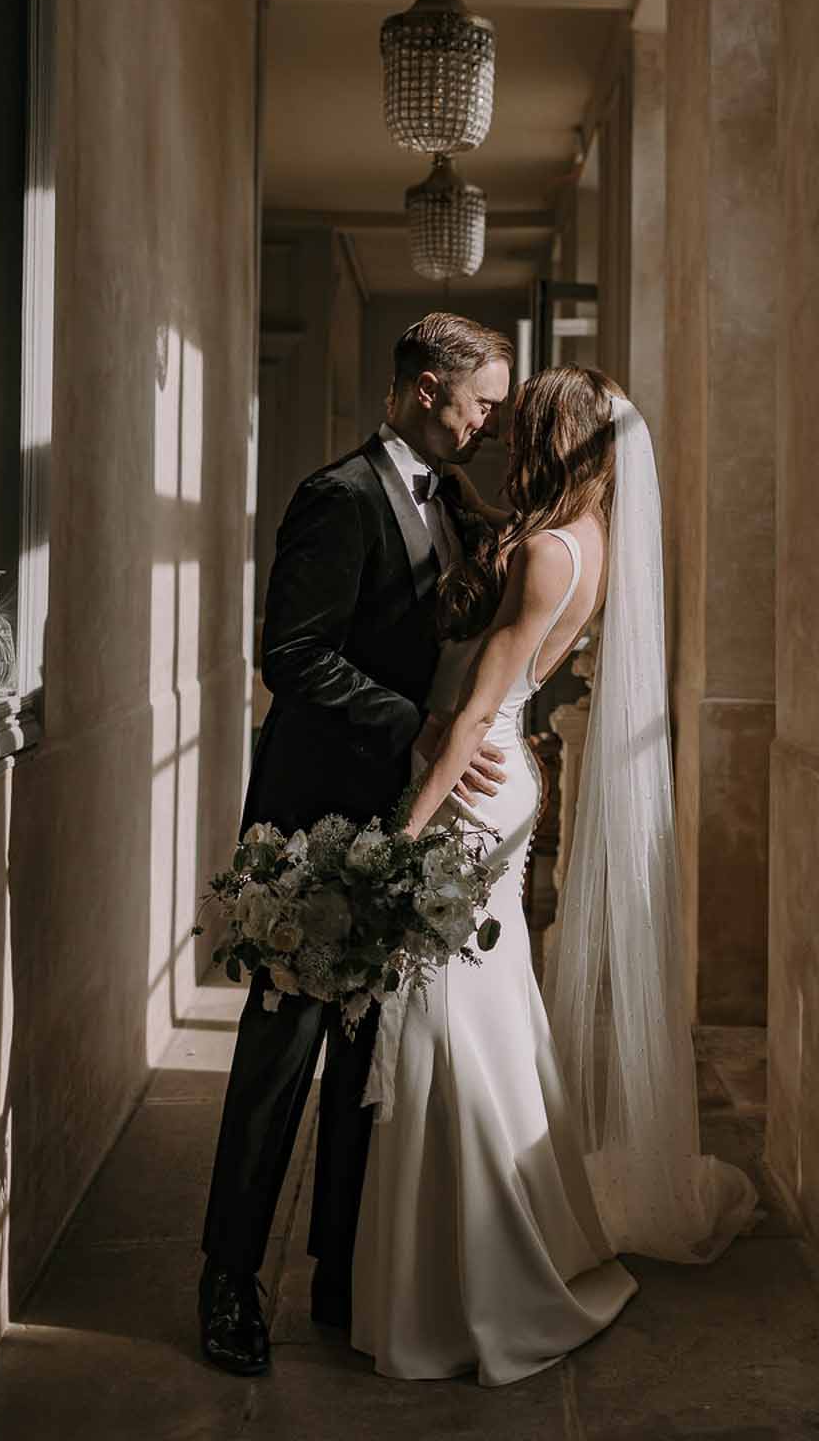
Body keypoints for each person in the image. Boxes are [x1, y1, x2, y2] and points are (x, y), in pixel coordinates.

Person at [351, 366, 757, 1385]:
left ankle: (483, 1282)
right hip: (512, 775)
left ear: (549, 437)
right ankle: (499, 1244)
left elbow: (482, 702)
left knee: (448, 1023)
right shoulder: (593, 544)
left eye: (518, 423)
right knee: (488, 1010)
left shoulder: (541, 552)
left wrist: (404, 833)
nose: (500, 437)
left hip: (477, 788)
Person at [198, 311, 514, 1376]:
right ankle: (230, 1280)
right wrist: (415, 725)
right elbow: (291, 652)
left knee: (365, 1059)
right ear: (427, 387)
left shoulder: (451, 504)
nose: (489, 421)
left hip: (400, 824)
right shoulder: (338, 497)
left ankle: (338, 1269)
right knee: (280, 1056)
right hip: (310, 820)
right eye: (479, 401)